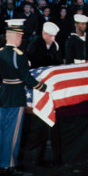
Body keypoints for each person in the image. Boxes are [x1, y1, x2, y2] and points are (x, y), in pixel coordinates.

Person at [0, 19, 51, 171]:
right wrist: (43, 87)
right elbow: (26, 78)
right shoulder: (19, 55)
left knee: (2, 130)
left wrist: (1, 84)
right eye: (19, 37)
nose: (20, 39)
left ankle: (0, 160)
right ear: (15, 36)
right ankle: (8, 162)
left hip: (3, 93)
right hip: (16, 95)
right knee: (13, 131)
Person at [21, 22, 63, 167]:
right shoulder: (34, 46)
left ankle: (40, 156)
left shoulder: (54, 45)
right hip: (35, 87)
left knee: (44, 126)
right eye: (51, 36)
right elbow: (33, 66)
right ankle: (31, 157)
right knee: (35, 127)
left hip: (47, 88)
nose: (53, 39)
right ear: (44, 34)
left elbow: (57, 63)